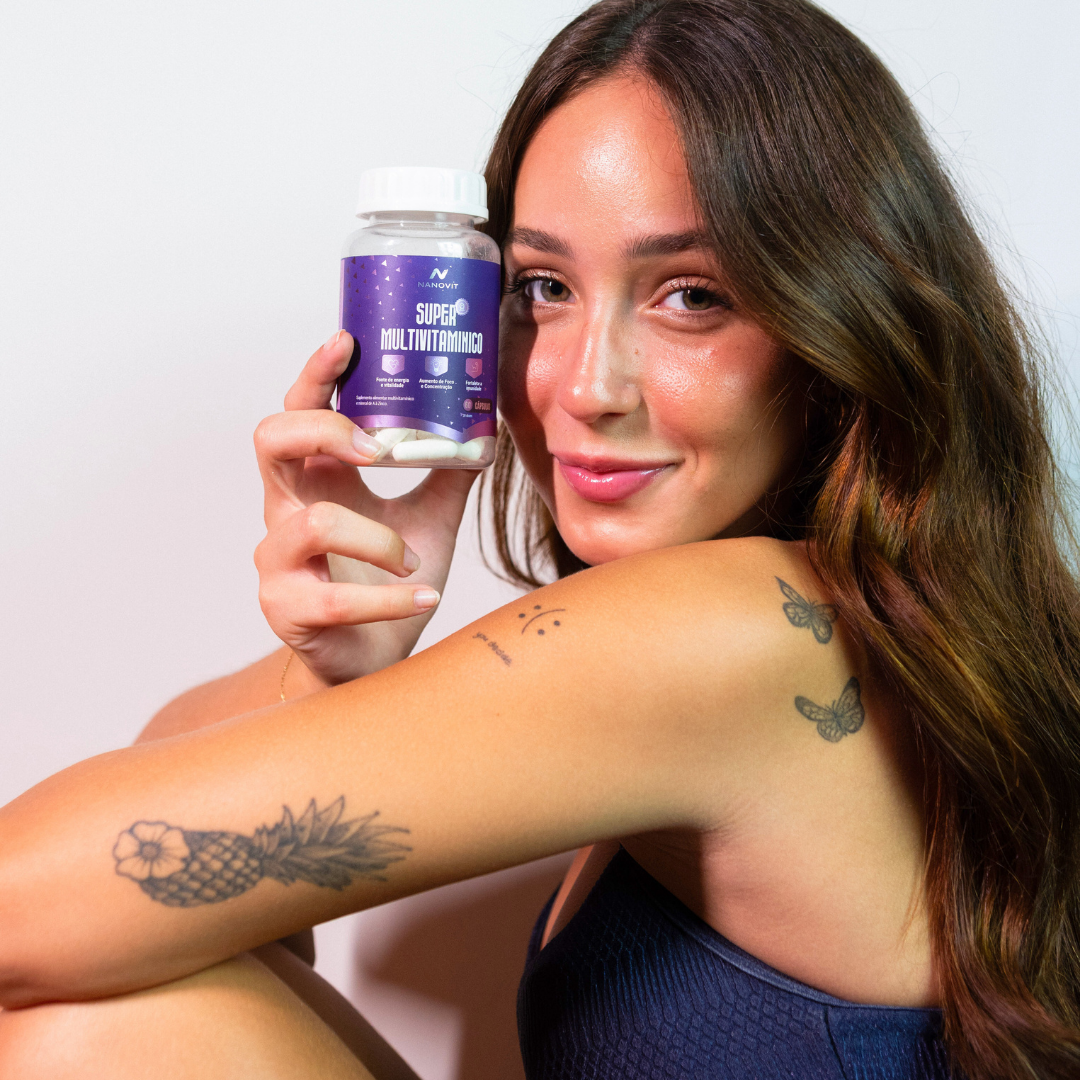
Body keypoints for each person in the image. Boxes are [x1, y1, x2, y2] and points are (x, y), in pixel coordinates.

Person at [1, 0, 1079, 1077]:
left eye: (692, 296)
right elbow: (134, 857)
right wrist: (337, 663)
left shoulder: (731, 632)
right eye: (543, 288)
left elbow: (21, 906)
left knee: (84, 1032)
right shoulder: (850, 617)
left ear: (840, 318)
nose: (585, 385)